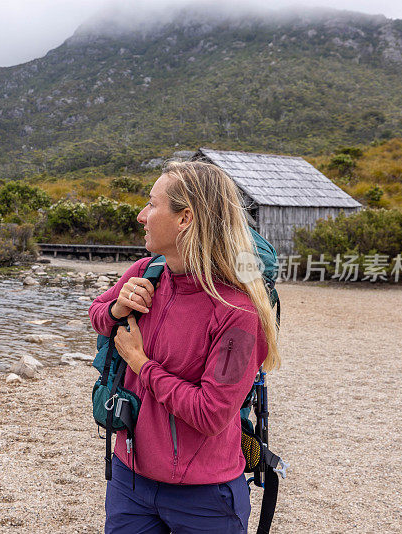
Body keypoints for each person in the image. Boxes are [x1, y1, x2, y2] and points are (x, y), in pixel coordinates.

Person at [88, 160, 280, 534]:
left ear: (185, 218)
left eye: (152, 204)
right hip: (129, 481)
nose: (142, 216)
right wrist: (116, 307)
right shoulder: (146, 272)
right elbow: (97, 313)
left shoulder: (238, 313)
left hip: (205, 497)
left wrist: (141, 364)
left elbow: (211, 414)